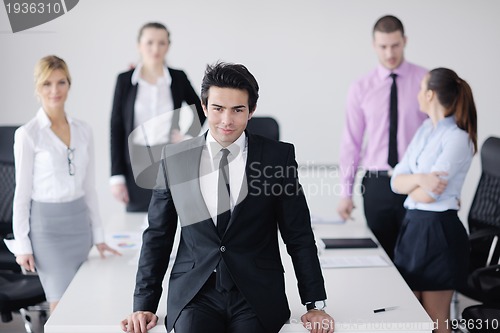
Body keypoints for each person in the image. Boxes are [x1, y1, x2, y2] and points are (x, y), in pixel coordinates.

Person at [121, 62, 334, 333]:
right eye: (218, 109)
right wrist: (144, 303)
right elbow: (158, 235)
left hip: (255, 293)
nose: (226, 120)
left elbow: (299, 234)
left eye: (237, 110)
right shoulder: (174, 159)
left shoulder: (277, 158)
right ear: (203, 106)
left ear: (252, 110)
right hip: (195, 294)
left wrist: (314, 304)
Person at [4, 55, 120, 313]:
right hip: (48, 232)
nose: (55, 90)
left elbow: (89, 188)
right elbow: (21, 195)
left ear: (69, 84)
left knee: (86, 304)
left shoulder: (84, 130)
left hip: (80, 227)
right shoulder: (28, 134)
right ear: (37, 88)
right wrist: (22, 245)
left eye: (61, 82)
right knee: (61, 309)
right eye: (47, 84)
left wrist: (98, 236)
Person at [391, 68, 477, 333]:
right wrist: (420, 178)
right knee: (411, 316)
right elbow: (396, 181)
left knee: (435, 319)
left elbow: (428, 195)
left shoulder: (458, 138)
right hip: (413, 228)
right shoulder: (426, 129)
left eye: (420, 89)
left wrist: (413, 184)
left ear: (429, 94)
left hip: (439, 233)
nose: (417, 94)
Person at [337, 15, 428, 259]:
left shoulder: (425, 81)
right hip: (377, 183)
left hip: (415, 182)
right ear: (374, 45)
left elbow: (438, 136)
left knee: (416, 258)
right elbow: (351, 143)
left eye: (395, 45)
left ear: (405, 41)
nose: (390, 53)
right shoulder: (361, 87)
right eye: (383, 46)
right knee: (382, 258)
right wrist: (346, 193)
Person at [110, 22, 206, 212]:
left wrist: (187, 135)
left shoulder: (178, 78)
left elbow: (203, 109)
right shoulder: (125, 80)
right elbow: (116, 128)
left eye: (162, 43)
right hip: (135, 167)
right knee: (137, 227)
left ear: (168, 46)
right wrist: (116, 176)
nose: (156, 48)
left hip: (170, 164)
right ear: (139, 45)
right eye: (150, 42)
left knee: (171, 220)